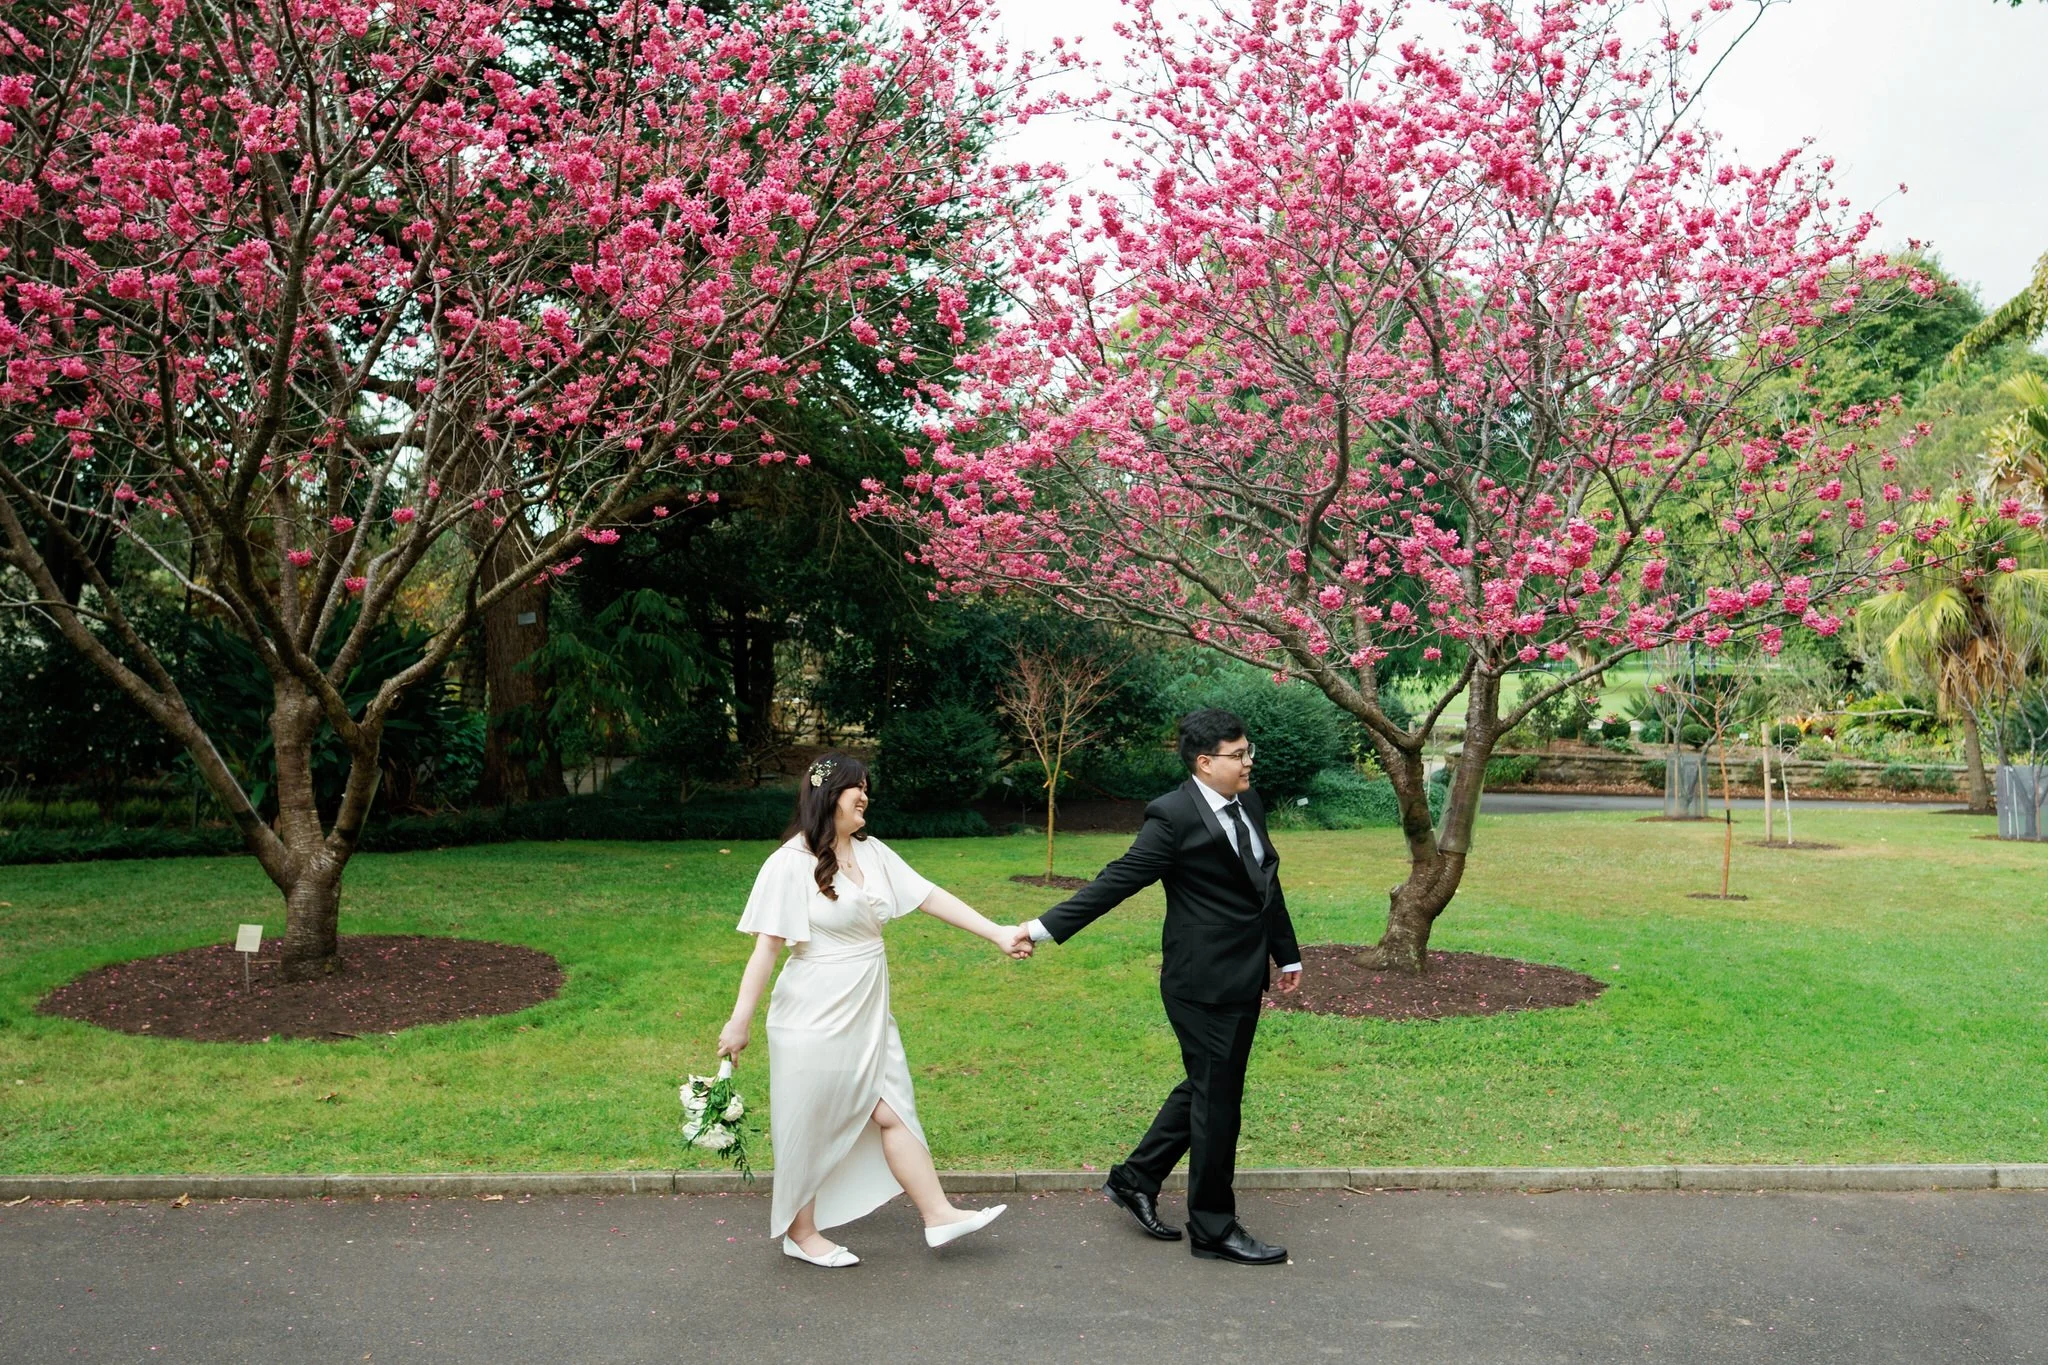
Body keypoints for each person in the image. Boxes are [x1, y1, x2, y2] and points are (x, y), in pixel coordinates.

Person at [1012, 708, 1303, 1265]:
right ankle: (1213, 1229)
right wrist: (1039, 929)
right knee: (1219, 1100)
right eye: (1238, 755)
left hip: (1244, 974)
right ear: (1204, 762)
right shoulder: (1171, 817)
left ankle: (1135, 1178)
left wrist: (1285, 954)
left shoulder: (1249, 802)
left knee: (1208, 1085)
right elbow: (1117, 881)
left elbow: (1266, 879)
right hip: (1201, 982)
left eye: (1249, 752)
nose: (1248, 762)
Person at [718, 753, 1031, 1269]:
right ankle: (801, 1232)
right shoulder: (788, 863)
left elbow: (930, 896)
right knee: (810, 1122)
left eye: (867, 786)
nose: (865, 795)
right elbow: (766, 950)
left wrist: (997, 933)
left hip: (868, 1010)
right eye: (854, 787)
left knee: (893, 1109)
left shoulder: (874, 852)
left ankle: (939, 1215)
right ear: (827, 796)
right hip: (812, 1015)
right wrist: (739, 1020)